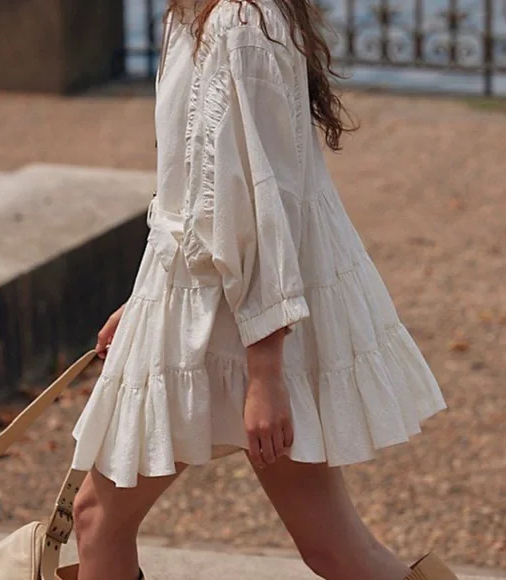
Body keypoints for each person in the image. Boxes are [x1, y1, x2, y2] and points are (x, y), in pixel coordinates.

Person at [70, 0, 455, 579]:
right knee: (332, 548)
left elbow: (261, 205)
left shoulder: (241, 24)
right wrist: (147, 299)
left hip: (246, 315)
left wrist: (267, 373)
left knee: (98, 519)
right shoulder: (191, 16)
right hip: (208, 300)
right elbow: (193, 192)